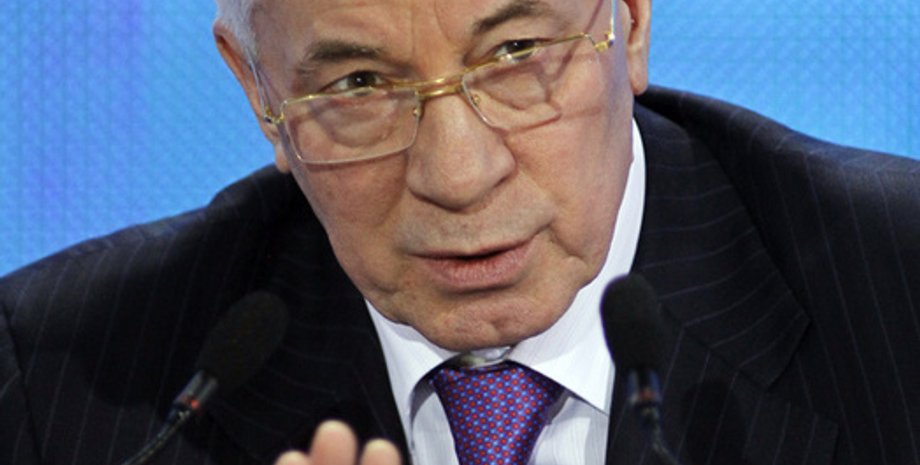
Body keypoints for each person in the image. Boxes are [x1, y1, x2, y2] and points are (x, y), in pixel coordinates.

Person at [1, 0, 918, 464]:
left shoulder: (899, 290)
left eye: (516, 53)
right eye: (359, 85)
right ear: (258, 90)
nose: (457, 173)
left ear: (630, 19)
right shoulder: (54, 381)